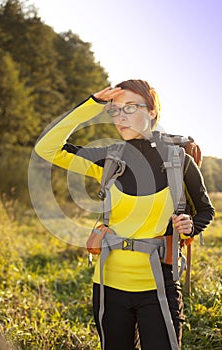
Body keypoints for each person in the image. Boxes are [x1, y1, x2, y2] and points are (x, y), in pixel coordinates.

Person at [35, 79, 215, 350]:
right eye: (115, 110)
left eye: (130, 108)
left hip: (159, 288)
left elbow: (206, 211)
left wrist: (190, 226)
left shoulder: (179, 161)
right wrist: (91, 105)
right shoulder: (108, 159)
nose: (120, 117)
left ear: (153, 111)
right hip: (109, 286)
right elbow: (46, 148)